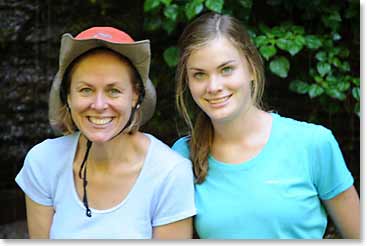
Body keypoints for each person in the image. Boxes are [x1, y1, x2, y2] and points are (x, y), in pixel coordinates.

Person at [171, 12, 360, 239]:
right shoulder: (181, 157)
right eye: (199, 74)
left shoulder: (313, 143)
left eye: (226, 69)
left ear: (251, 68)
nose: (213, 86)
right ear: (187, 81)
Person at [15, 26, 196, 239]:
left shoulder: (170, 174)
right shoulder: (43, 162)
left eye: (113, 91)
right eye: (86, 90)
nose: (99, 105)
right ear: (68, 97)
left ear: (136, 96)